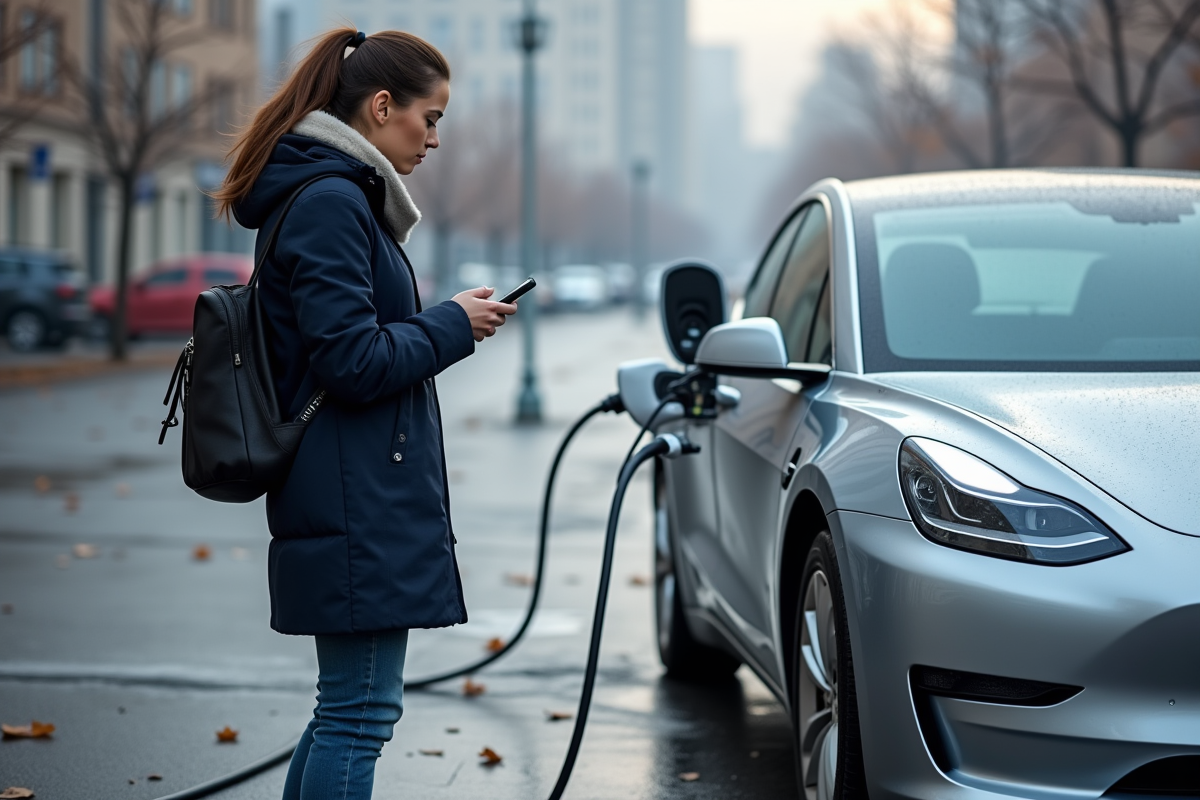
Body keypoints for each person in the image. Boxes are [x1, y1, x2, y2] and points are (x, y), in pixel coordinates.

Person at [213, 27, 515, 800]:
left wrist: (446, 322)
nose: (437, 138)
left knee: (346, 709)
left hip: (351, 485)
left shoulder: (334, 197)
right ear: (383, 107)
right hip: (353, 493)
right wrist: (454, 324)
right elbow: (352, 362)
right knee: (360, 712)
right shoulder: (331, 203)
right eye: (431, 116)